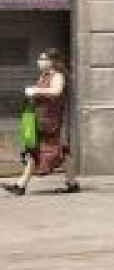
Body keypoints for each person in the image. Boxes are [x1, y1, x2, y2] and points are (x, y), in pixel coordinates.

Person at [8, 50, 73, 196]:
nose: (39, 61)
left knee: (39, 150)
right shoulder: (45, 75)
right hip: (42, 118)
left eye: (42, 58)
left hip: (50, 120)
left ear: (52, 61)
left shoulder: (58, 76)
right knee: (59, 151)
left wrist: (36, 90)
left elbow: (56, 91)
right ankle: (72, 182)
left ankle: (20, 185)